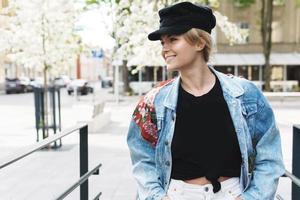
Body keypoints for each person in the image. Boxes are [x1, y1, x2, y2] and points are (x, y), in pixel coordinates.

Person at [127, 2, 285, 200]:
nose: (165, 49)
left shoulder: (245, 94)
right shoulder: (153, 102)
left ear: (199, 43)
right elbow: (142, 160)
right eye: (162, 42)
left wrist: (251, 198)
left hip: (234, 194)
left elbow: (270, 157)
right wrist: (159, 197)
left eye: (173, 40)